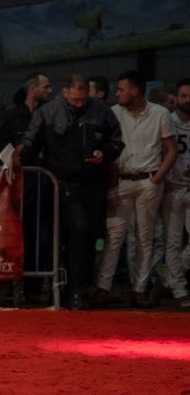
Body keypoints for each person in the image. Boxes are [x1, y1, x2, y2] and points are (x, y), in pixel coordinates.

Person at [17, 73, 123, 308]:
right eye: (75, 99)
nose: (80, 104)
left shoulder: (102, 111)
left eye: (83, 99)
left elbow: (117, 142)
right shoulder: (48, 112)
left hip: (92, 186)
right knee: (62, 236)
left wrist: (104, 153)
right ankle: (64, 288)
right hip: (58, 184)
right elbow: (31, 143)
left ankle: (76, 289)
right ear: (65, 92)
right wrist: (20, 158)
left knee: (86, 236)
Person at [94, 70, 176, 307]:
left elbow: (171, 150)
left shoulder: (160, 114)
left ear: (135, 91)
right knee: (114, 235)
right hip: (121, 180)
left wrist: (157, 177)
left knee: (144, 237)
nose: (117, 93)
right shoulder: (114, 112)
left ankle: (138, 289)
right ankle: (103, 287)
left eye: (121, 89)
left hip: (147, 181)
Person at [162, 78, 190, 307]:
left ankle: (171, 278)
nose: (187, 100)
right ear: (177, 97)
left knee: (181, 247)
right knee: (172, 242)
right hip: (171, 188)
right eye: (183, 96)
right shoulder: (167, 121)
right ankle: (179, 289)